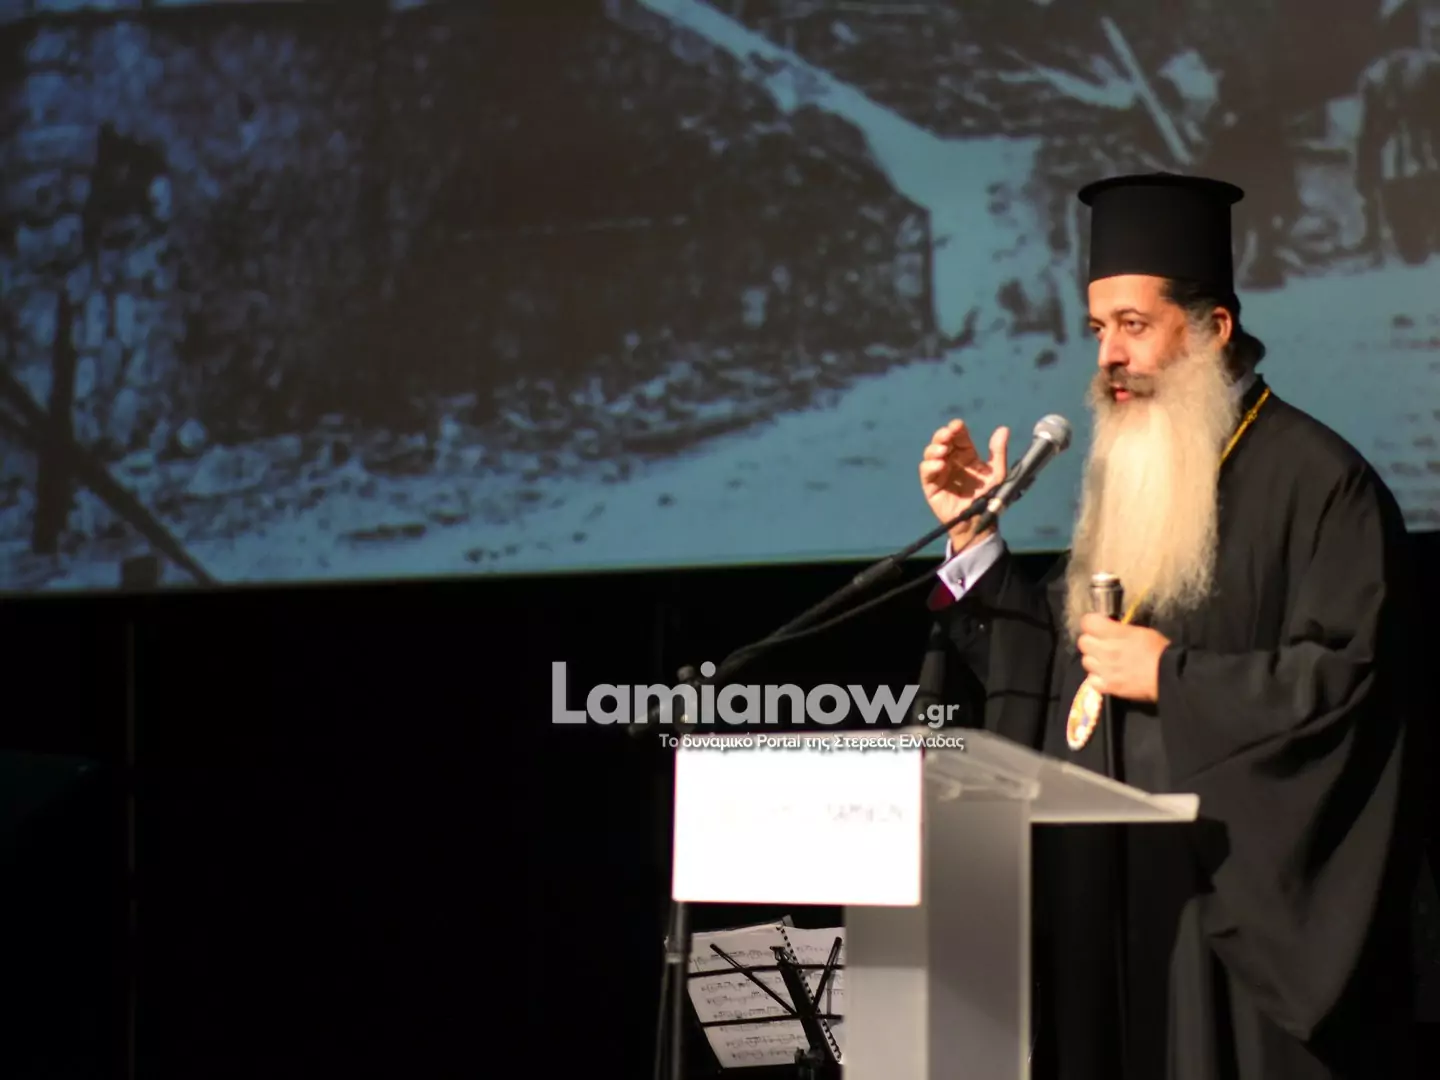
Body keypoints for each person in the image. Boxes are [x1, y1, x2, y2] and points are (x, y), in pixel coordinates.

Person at [916, 172, 1423, 1079]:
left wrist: (1172, 679)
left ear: (1213, 328)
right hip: (1103, 894)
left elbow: (1350, 684)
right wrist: (974, 542)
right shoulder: (1133, 470)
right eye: (1097, 330)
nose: (1109, 356)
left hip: (1227, 915)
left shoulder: (1321, 482)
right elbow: (1066, 668)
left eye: (1134, 325)